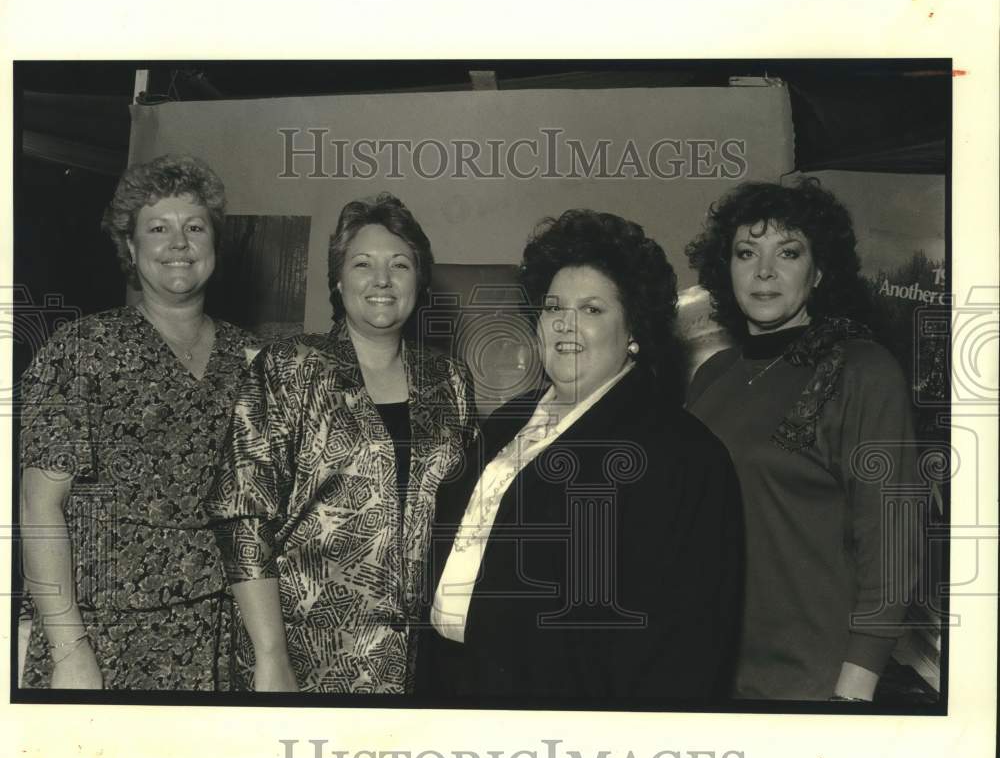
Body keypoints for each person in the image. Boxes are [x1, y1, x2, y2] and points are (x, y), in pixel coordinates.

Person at [418, 209, 743, 701]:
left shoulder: (684, 455)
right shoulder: (506, 420)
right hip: (458, 694)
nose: (566, 326)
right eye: (554, 307)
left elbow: (687, 646)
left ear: (633, 328)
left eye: (592, 310)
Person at [207, 193, 478, 693]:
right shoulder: (289, 368)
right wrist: (270, 657)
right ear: (338, 280)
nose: (382, 279)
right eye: (362, 264)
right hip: (301, 656)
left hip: (419, 664)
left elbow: (470, 519)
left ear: (419, 280)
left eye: (399, 264)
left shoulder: (451, 381)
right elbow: (242, 517)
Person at [19, 154, 257, 690]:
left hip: (219, 637)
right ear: (130, 247)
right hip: (103, 640)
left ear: (214, 244)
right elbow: (39, 507)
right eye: (158, 228)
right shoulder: (81, 352)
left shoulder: (251, 358)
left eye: (194, 227)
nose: (179, 242)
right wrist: (68, 649)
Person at [685, 179, 921, 702]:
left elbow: (893, 539)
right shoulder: (713, 374)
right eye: (746, 252)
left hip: (813, 680)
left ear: (818, 271)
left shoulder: (863, 369)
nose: (764, 270)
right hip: (711, 667)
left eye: (787, 253)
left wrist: (856, 685)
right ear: (726, 269)